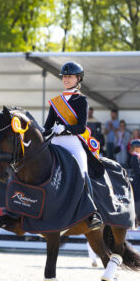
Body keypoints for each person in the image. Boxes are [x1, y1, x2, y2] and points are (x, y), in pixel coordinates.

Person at [43, 61, 102, 229]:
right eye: (65, 77)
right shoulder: (56, 102)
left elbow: (81, 127)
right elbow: (48, 125)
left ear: (78, 79)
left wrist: (65, 128)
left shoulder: (81, 100)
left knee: (83, 170)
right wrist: (42, 131)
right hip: (55, 141)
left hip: (72, 141)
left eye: (70, 77)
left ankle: (92, 213)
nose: (67, 79)